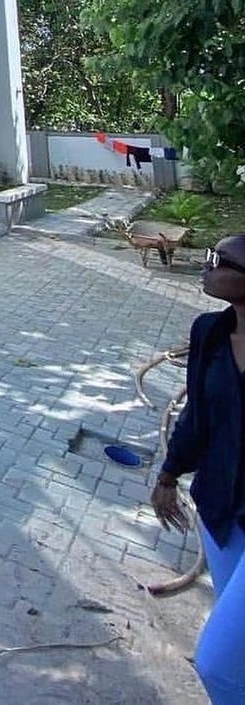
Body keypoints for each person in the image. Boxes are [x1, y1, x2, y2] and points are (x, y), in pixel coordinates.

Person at [152, 234, 245, 704]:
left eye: (221, 260)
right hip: (220, 512)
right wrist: (168, 476)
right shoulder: (209, 331)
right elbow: (197, 418)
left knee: (216, 665)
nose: (207, 265)